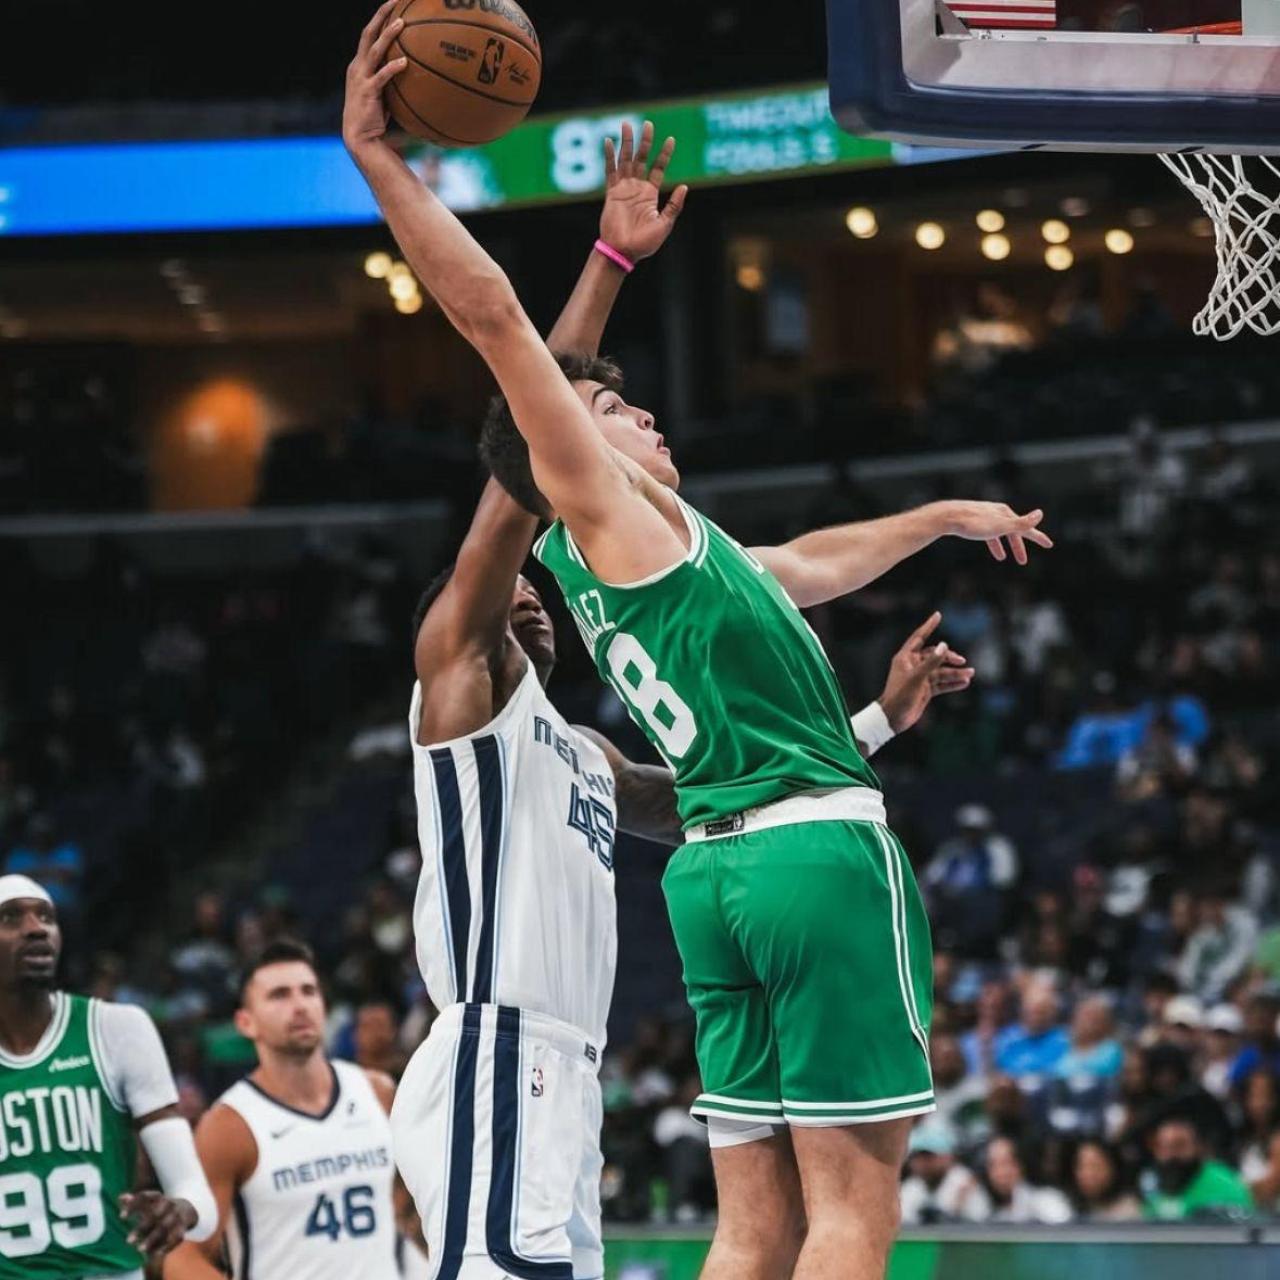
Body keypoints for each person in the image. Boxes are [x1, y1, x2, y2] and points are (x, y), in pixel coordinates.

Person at [343, 12, 1051, 1280]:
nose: (642, 413)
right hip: (798, 863)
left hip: (712, 878)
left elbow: (808, 565)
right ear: (569, 450)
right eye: (611, 410)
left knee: (752, 1226)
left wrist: (938, 523)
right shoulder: (600, 522)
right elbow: (502, 329)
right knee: (852, 1209)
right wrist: (384, 163)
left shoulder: (664, 562)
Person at [0, 875, 217, 1279]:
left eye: (46, 917)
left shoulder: (116, 1029)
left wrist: (178, 1211)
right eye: (11, 918)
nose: (36, 928)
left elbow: (200, 1204)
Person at [163, 939, 414, 1280]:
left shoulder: (378, 1093)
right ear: (246, 1022)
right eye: (279, 995)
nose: (299, 1005)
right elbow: (183, 1258)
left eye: (308, 991)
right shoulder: (229, 1126)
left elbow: (419, 1205)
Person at [1140, 1117, 1253, 1220]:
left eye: (1180, 1145)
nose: (1171, 1155)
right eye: (1165, 1147)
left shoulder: (1225, 1184)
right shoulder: (1151, 1183)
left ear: (1198, 1147)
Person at [899, 1122, 990, 1225]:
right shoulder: (911, 1186)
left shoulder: (964, 1181)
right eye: (916, 1157)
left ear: (947, 1157)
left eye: (928, 1156)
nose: (922, 1163)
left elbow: (981, 1223)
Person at [982, 1137, 1073, 1224]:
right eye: (992, 1165)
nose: (999, 1172)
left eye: (1005, 1163)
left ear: (1020, 1165)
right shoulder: (996, 1215)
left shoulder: (1048, 1201)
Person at [1069, 1140, 1142, 1221]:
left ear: (1113, 1169)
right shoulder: (1066, 1207)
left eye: (1095, 1166)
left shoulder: (1129, 1211)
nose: (1087, 1174)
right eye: (1081, 1166)